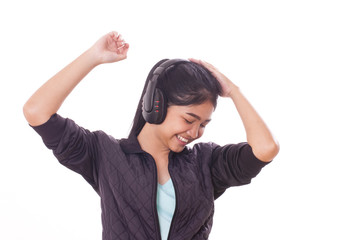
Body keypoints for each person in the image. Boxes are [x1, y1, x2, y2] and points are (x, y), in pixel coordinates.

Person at [23, 31, 279, 240]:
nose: (194, 133)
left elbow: (266, 147)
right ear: (155, 105)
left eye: (203, 124)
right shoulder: (105, 154)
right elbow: (37, 112)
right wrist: (93, 56)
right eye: (189, 120)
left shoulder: (207, 162)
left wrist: (233, 90)